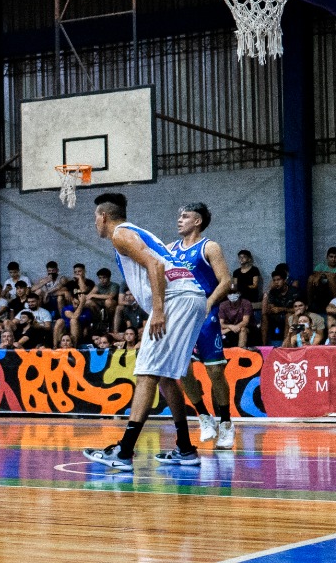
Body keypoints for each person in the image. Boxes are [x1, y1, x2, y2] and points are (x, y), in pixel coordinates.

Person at [82, 192, 207, 471]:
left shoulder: (121, 234)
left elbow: (155, 265)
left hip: (176, 301)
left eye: (94, 219)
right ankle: (185, 449)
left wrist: (159, 310)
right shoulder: (138, 232)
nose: (95, 224)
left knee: (146, 373)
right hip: (191, 297)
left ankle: (124, 452)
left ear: (103, 216)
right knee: (164, 377)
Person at [168, 203, 236, 450]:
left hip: (205, 316)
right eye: (180, 215)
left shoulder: (209, 247)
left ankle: (227, 423)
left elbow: (226, 281)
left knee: (215, 372)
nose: (179, 220)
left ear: (197, 221)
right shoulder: (170, 249)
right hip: (181, 316)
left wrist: (208, 303)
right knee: (182, 370)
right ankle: (204, 417)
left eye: (185, 216)